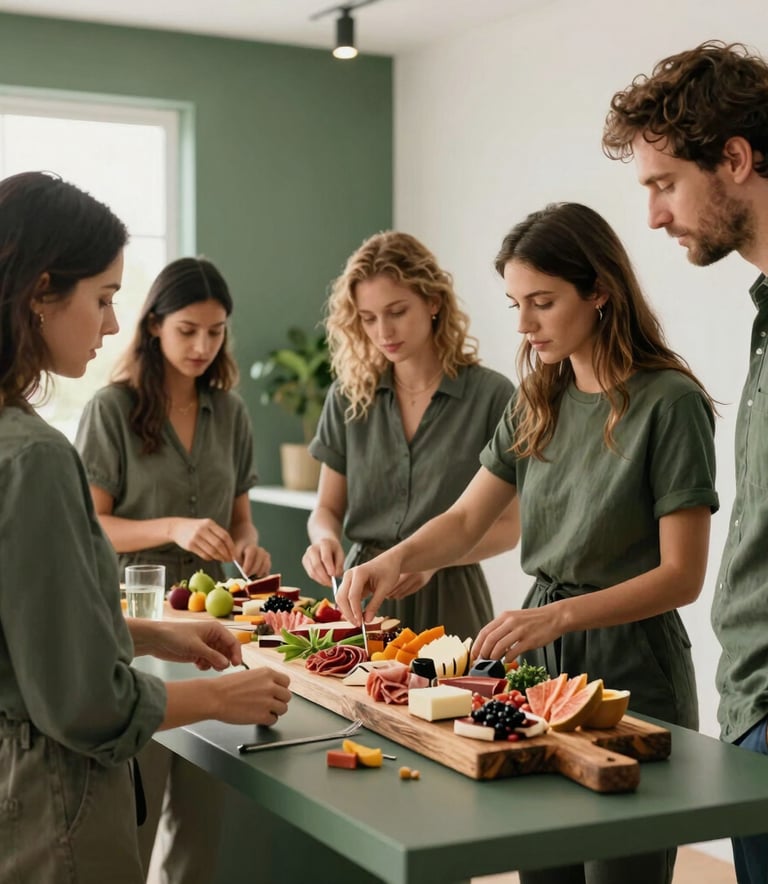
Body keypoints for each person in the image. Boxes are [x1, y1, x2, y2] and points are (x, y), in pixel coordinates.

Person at [335, 204, 718, 884]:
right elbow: (462, 522)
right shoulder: (538, 396)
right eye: (516, 303)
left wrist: (559, 614)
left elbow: (682, 576)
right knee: (541, 873)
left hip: (633, 665)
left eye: (542, 302)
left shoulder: (670, 402)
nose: (523, 324)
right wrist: (391, 562)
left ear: (599, 290)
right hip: (536, 665)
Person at [0, 171, 291, 884]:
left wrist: (157, 635)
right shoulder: (36, 456)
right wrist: (224, 697)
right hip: (55, 806)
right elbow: (89, 703)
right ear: (41, 292)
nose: (108, 322)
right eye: (101, 298)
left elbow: (31, 630)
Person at [602, 40, 768, 884]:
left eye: (665, 185)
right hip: (750, 702)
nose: (655, 218)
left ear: (734, 160)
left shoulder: (667, 399)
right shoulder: (762, 317)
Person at [74, 256, 271, 884]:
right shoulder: (112, 409)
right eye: (188, 330)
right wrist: (171, 526)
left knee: (200, 819)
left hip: (212, 631)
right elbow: (92, 525)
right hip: (135, 630)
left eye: (215, 333)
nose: (202, 347)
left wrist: (248, 548)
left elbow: (242, 522)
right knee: (132, 816)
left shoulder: (230, 413)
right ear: (154, 324)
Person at [302, 231, 520, 638]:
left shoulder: (492, 396)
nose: (383, 331)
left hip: (449, 596)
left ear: (433, 301)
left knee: (451, 700)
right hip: (360, 596)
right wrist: (324, 539)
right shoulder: (348, 397)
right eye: (368, 318)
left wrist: (433, 559)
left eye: (397, 311)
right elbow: (326, 510)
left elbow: (509, 527)